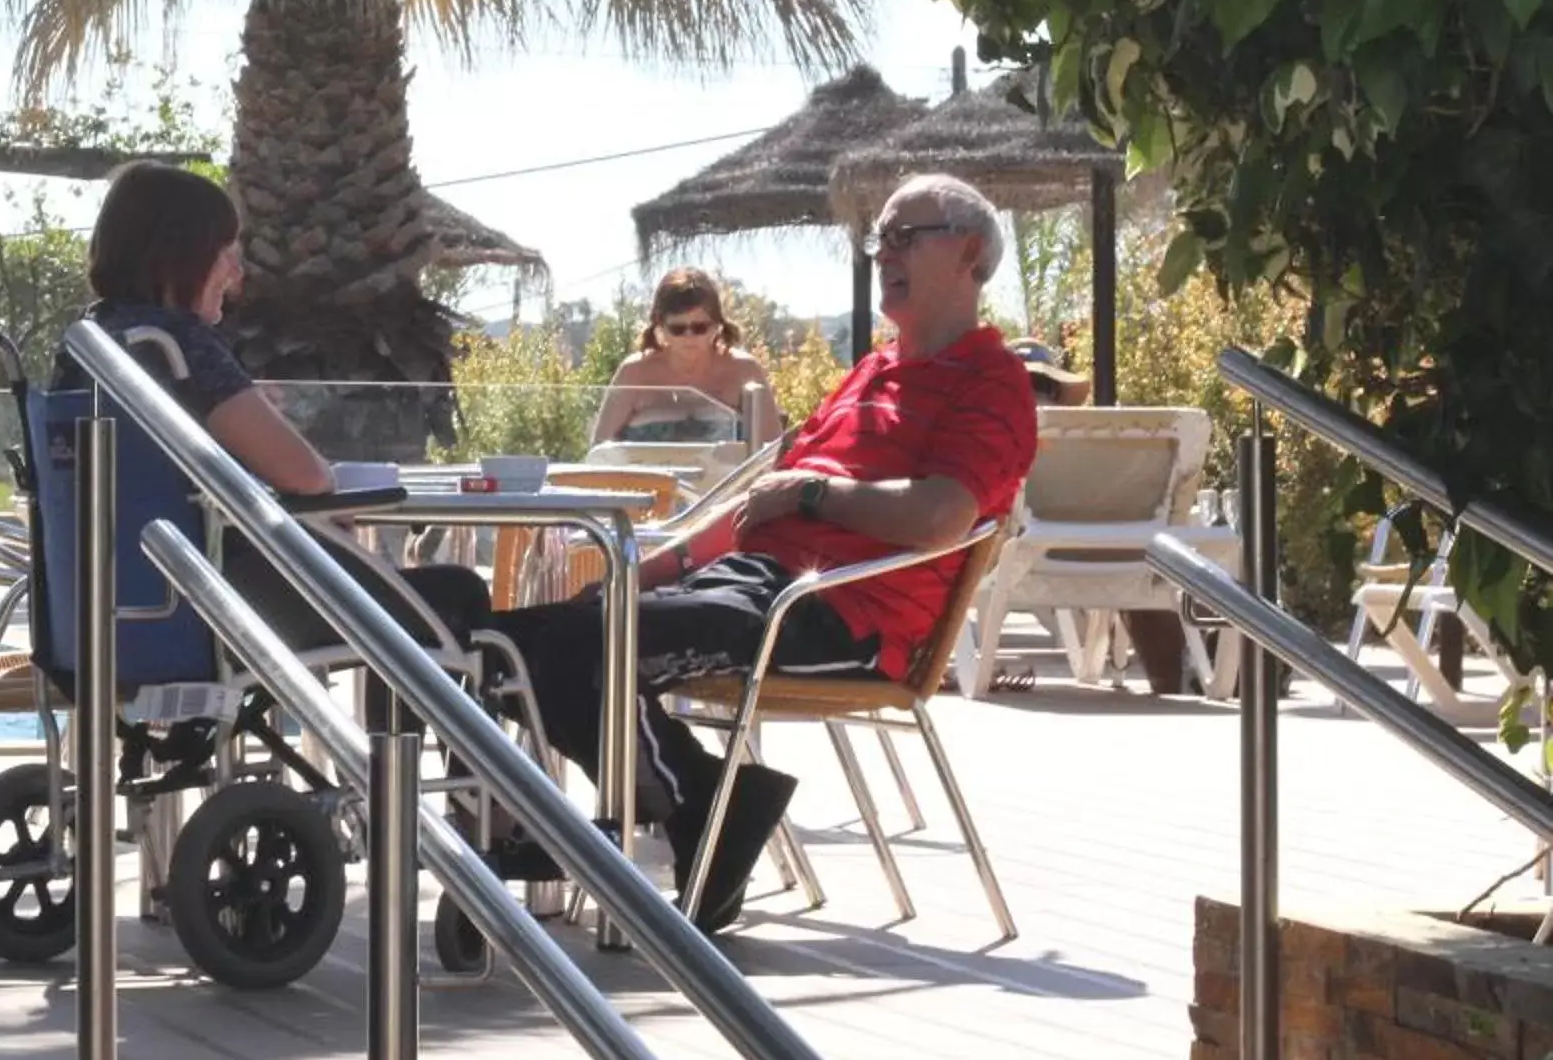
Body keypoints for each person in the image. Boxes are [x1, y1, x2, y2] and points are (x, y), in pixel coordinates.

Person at [484, 173, 1039, 932]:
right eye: (879, 239)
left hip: (840, 612)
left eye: (905, 236)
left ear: (970, 254)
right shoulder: (872, 371)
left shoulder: (992, 381)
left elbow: (941, 517)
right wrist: (640, 571)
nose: (884, 254)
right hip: (755, 584)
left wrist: (813, 495)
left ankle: (691, 813)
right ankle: (685, 809)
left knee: (587, 647)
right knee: (503, 643)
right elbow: (757, 501)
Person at [53, 160, 492, 652]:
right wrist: (255, 413)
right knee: (457, 593)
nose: (238, 273)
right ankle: (406, 732)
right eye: (226, 253)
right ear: (182, 256)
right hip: (217, 602)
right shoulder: (178, 346)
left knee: (404, 600)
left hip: (108, 614)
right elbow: (308, 477)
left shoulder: (90, 343)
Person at [588, 269, 783, 446]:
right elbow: (599, 449)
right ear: (660, 326)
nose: (689, 337)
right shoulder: (634, 373)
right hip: (647, 483)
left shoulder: (745, 371)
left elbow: (771, 451)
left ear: (717, 325)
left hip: (730, 484)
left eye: (699, 328)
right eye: (678, 329)